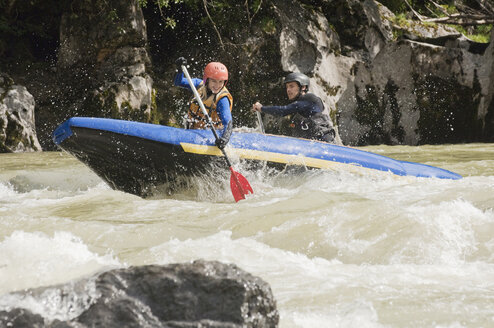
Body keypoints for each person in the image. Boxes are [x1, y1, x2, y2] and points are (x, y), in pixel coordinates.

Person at [251, 72, 336, 143]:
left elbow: (283, 111)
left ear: (303, 87)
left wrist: (262, 108)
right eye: (287, 87)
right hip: (313, 145)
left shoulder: (309, 98)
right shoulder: (298, 114)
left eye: (291, 86)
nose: (288, 90)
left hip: (325, 142)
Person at [174, 57, 233, 149]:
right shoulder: (199, 85)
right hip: (192, 131)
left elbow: (228, 123)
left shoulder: (222, 99)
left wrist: (224, 139)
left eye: (220, 82)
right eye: (213, 81)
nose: (217, 86)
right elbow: (179, 82)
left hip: (211, 135)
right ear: (207, 79)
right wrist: (179, 70)